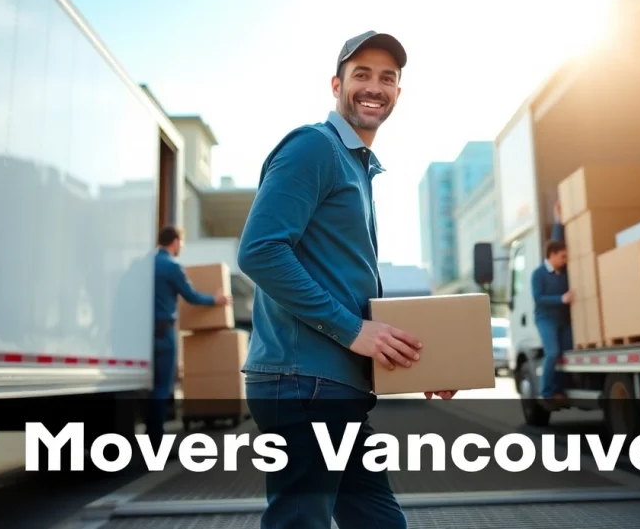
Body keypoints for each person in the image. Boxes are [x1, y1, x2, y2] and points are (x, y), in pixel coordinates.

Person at [236, 30, 456, 529]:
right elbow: (260, 251)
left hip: (334, 387)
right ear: (337, 84)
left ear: (398, 93)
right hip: (302, 383)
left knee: (380, 523)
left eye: (387, 78)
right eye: (362, 75)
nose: (374, 87)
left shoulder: (357, 167)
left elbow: (347, 288)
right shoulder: (314, 147)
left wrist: (428, 363)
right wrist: (354, 331)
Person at [149, 225, 230, 444]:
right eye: (182, 243)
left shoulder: (145, 264)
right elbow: (191, 296)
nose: (181, 247)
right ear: (175, 242)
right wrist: (216, 300)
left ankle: (151, 441)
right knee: (161, 389)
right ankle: (156, 446)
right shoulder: (171, 267)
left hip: (143, 336)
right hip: (163, 333)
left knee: (149, 389)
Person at [531, 203, 573, 410]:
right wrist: (561, 299)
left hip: (563, 320)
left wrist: (559, 221)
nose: (565, 260)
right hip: (545, 318)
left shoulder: (562, 271)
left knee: (567, 352)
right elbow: (538, 298)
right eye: (562, 257)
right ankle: (546, 392)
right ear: (552, 255)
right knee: (553, 352)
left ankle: (559, 390)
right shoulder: (538, 274)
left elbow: (558, 240)